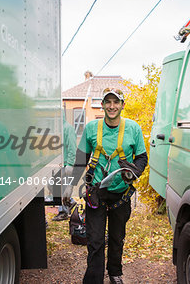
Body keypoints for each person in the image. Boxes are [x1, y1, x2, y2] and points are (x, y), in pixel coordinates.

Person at [63, 87, 148, 284]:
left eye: (116, 102)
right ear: (102, 105)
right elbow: (80, 158)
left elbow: (142, 157)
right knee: (95, 241)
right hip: (96, 194)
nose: (112, 106)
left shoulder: (133, 128)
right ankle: (94, 279)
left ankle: (115, 272)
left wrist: (135, 171)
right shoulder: (92, 128)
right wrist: (69, 186)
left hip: (121, 193)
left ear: (122, 105)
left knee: (117, 238)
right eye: (108, 102)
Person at [52, 113, 78, 221]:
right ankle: (70, 203)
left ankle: (64, 211)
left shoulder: (68, 128)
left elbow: (72, 147)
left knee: (63, 188)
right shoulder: (59, 129)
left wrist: (70, 164)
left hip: (67, 163)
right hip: (61, 163)